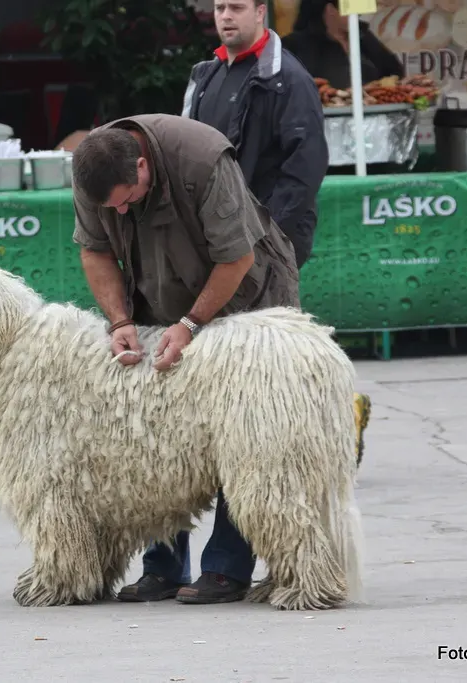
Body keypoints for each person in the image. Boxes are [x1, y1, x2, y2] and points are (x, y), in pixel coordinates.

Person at [120, 0, 371, 605]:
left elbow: (303, 169)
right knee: (168, 417)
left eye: (236, 6)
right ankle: (163, 561)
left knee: (246, 422)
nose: (224, 17)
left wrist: (262, 245)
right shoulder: (204, 76)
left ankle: (227, 565)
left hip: (257, 265)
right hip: (196, 266)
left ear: (262, 11)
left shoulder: (287, 78)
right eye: (218, 7)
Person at [71, 113, 302, 603]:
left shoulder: (203, 157)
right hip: (160, 299)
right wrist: (120, 321)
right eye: (114, 208)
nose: (123, 210)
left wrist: (192, 324)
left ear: (142, 164)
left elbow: (235, 257)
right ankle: (163, 566)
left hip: (246, 298)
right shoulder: (92, 171)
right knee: (159, 434)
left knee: (239, 436)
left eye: (129, 199)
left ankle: (226, 569)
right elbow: (95, 252)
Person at [280, 0, 402, 91]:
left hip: (374, 117)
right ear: (330, 10)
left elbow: (396, 72)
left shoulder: (364, 37)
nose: (357, 15)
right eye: (349, 9)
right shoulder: (294, 45)